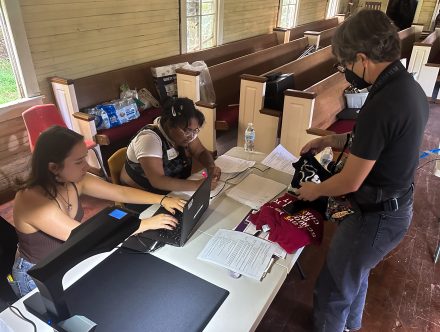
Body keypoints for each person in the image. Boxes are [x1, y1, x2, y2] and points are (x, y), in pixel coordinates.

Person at [297, 10, 429, 332]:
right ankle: (351, 326)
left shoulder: (384, 103)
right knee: (355, 274)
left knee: (333, 288)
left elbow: (350, 180)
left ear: (362, 59)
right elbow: (374, 139)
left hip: (376, 216)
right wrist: (331, 138)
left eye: (345, 65)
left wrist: (314, 190)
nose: (346, 72)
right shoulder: (407, 87)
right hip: (395, 208)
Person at [11, 126, 186, 297]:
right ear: (53, 168)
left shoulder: (72, 179)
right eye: (79, 161)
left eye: (85, 158)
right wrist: (143, 224)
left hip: (67, 257)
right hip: (37, 275)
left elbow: (120, 192)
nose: (86, 167)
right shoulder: (32, 201)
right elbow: (83, 237)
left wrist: (162, 199)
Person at [120, 97, 221, 197]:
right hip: (141, 194)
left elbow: (200, 151)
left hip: (171, 189)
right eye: (187, 130)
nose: (191, 136)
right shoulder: (148, 139)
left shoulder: (186, 133)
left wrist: (211, 166)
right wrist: (197, 185)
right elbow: (158, 181)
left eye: (195, 130)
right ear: (169, 124)